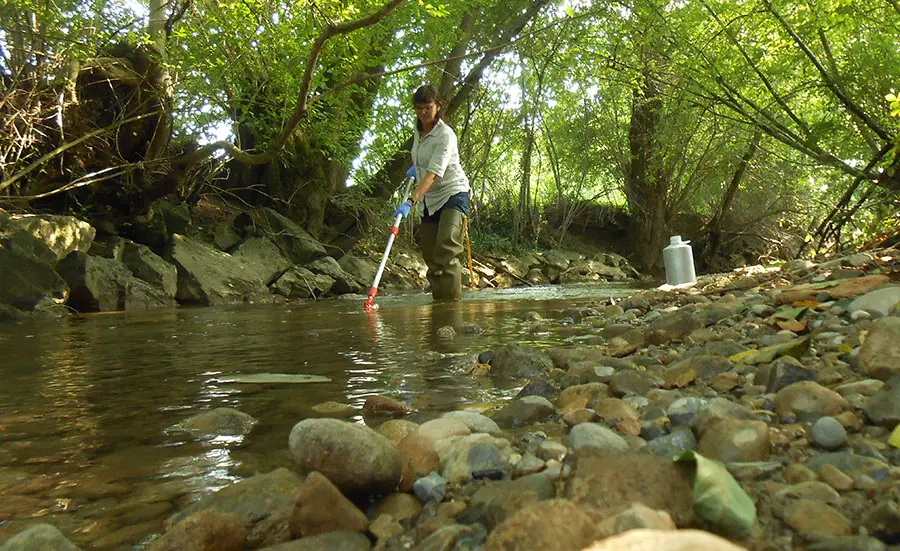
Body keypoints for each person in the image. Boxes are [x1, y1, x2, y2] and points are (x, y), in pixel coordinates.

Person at [393, 85, 471, 301]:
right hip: (429, 199)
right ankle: (440, 303)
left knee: (446, 248)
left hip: (453, 193)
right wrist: (415, 167)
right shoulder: (418, 132)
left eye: (428, 108)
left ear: (437, 106)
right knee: (430, 253)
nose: (423, 113)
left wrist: (411, 199)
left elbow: (435, 173)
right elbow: (422, 163)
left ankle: (451, 308)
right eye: (418, 109)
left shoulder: (445, 135)